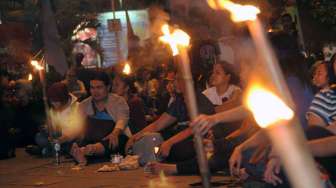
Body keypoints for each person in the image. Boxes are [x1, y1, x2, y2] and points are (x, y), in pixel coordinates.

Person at [125, 73, 215, 164]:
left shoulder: (199, 100)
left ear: (190, 82)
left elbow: (193, 129)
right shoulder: (179, 101)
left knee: (164, 147)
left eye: (178, 80)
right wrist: (135, 137)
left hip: (198, 142)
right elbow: (158, 124)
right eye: (174, 80)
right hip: (179, 141)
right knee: (152, 138)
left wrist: (169, 143)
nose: (175, 83)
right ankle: (148, 166)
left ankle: (157, 166)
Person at [70, 71, 131, 165]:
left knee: (117, 140)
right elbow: (77, 126)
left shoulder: (118, 101)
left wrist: (115, 132)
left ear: (108, 87)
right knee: (77, 142)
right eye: (92, 88)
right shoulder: (84, 104)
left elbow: (122, 119)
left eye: (99, 87)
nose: (95, 91)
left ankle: (88, 151)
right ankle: (83, 152)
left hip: (111, 139)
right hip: (91, 139)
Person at [32, 82, 82, 156]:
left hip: (71, 138)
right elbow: (53, 127)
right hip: (58, 136)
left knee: (75, 143)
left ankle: (47, 151)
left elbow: (77, 130)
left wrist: (63, 139)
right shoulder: (53, 110)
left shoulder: (77, 107)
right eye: (52, 101)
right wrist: (47, 128)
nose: (53, 104)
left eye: (55, 101)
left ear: (63, 98)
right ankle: (52, 150)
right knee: (39, 137)